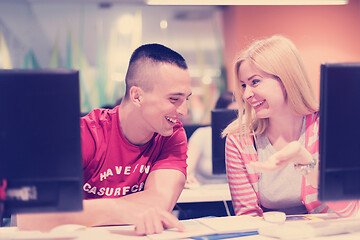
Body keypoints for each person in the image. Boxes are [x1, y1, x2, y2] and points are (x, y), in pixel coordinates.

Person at [16, 43, 192, 235]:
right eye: (174, 99)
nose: (184, 111)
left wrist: (80, 211)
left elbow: (159, 202)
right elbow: (30, 215)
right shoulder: (85, 133)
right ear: (137, 96)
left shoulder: (172, 134)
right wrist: (115, 209)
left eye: (187, 99)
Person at [222, 35, 359, 217]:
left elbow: (350, 210)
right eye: (243, 85)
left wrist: (304, 160)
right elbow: (247, 217)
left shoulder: (328, 127)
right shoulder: (239, 139)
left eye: (255, 82)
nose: (246, 94)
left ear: (286, 79)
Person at [186, 91, 237, 187]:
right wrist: (186, 177)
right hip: (204, 194)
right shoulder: (202, 134)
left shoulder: (249, 137)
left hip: (236, 193)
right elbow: (186, 169)